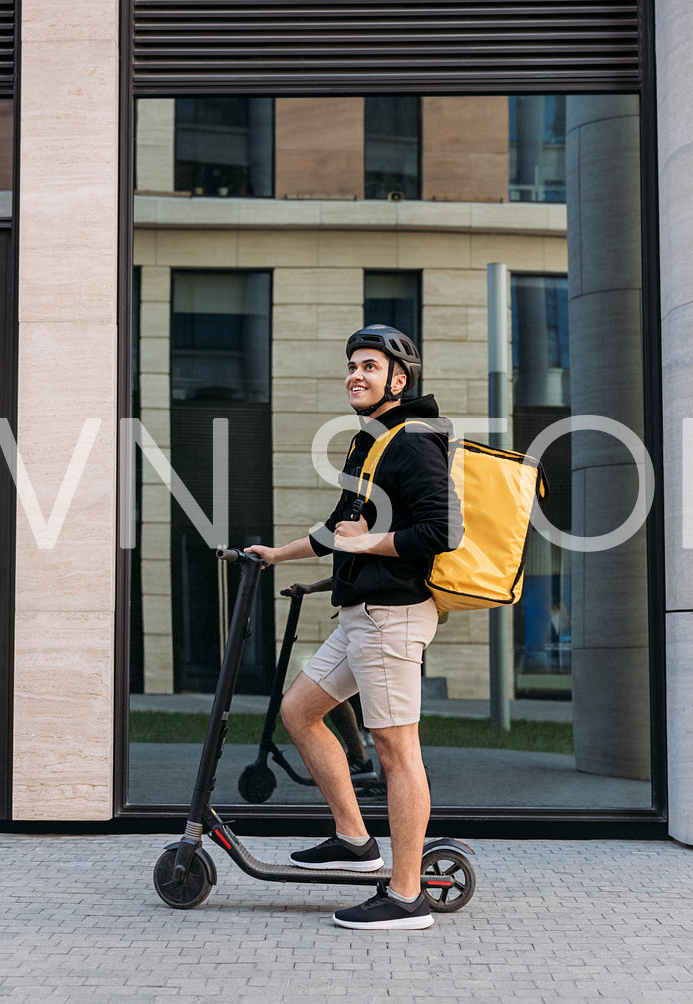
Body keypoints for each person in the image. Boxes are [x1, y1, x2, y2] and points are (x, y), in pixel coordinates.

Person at [246, 323, 460, 931]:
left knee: (396, 752)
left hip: (391, 618)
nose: (356, 375)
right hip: (361, 616)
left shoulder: (413, 441)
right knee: (300, 711)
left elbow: (442, 533)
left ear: (399, 379)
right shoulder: (370, 442)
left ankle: (407, 895)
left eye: (370, 366)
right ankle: (355, 841)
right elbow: (338, 524)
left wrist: (365, 542)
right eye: (352, 365)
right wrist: (275, 556)